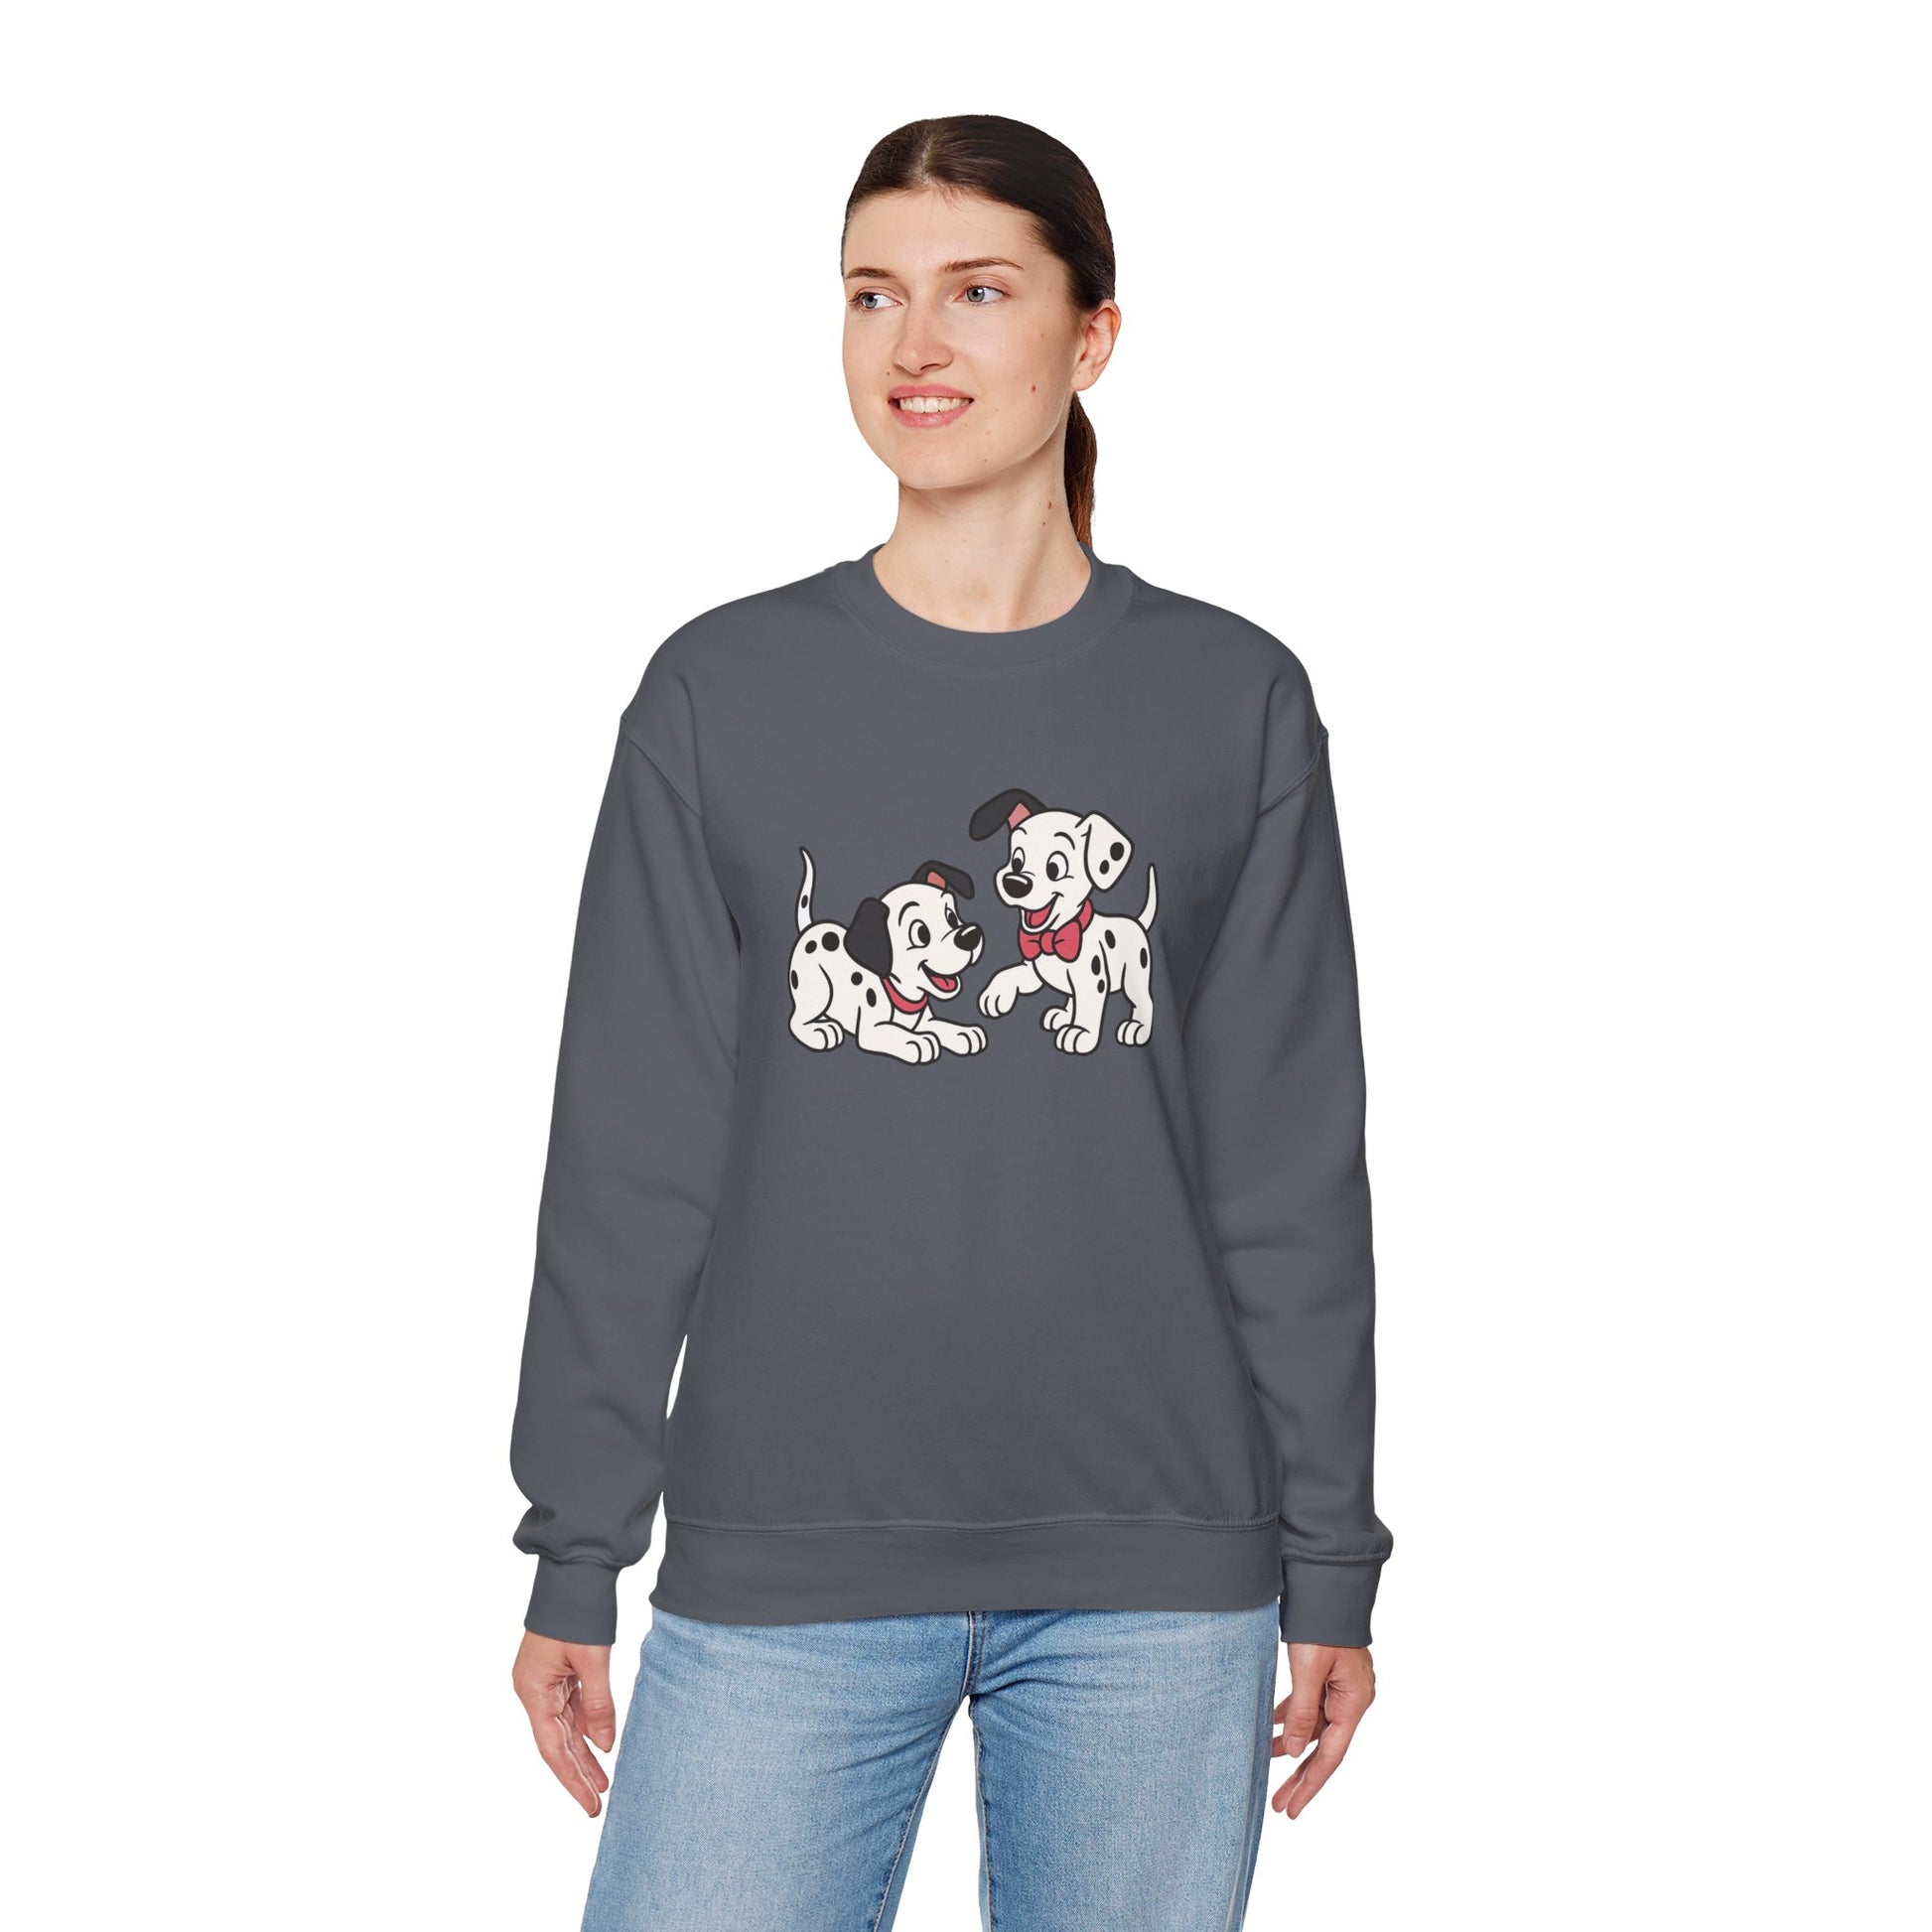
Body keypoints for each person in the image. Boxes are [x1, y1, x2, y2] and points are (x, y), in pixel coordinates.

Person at [508, 113, 1394, 1931]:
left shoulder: (1229, 698)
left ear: (1092, 335)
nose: (912, 343)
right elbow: (631, 1150)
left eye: (977, 291)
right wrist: (577, 1539)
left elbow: (1288, 1168)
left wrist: (1331, 1558)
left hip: (1157, 1572)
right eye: (870, 295)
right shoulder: (719, 693)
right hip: (785, 1555)